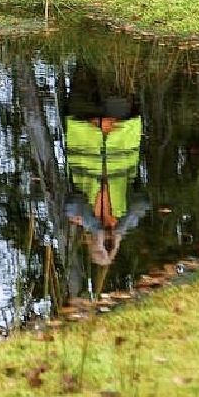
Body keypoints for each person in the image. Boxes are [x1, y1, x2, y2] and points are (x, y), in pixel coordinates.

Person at [62, 62, 149, 268]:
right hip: (120, 124)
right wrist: (119, 232)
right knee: (115, 65)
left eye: (101, 247)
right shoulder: (126, 220)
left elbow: (71, 204)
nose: (105, 244)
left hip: (82, 122)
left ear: (91, 244)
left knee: (85, 62)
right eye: (109, 247)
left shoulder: (81, 218)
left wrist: (96, 229)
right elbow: (143, 203)